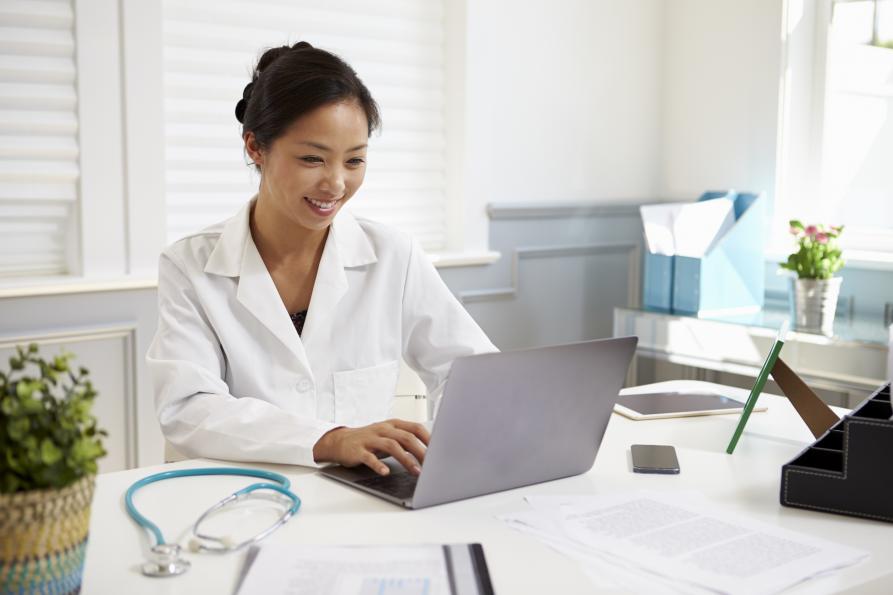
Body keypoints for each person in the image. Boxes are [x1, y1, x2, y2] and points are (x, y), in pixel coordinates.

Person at [147, 42, 496, 477]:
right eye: (312, 159)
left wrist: (449, 458)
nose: (335, 183)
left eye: (355, 160)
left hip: (360, 497)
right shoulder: (189, 265)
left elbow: (472, 373)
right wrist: (328, 440)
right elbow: (188, 408)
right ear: (255, 147)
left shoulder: (394, 255)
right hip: (243, 494)